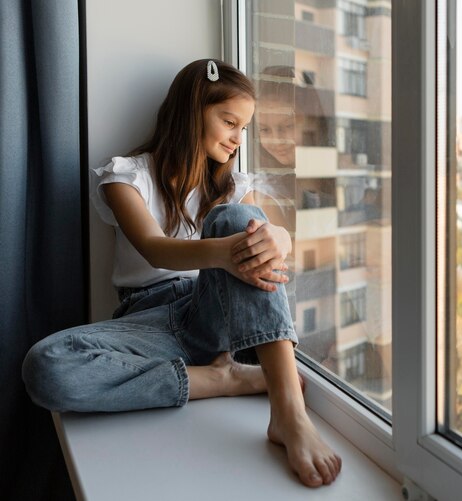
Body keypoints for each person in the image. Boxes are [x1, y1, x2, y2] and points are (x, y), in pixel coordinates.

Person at [22, 58, 341, 488]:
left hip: (212, 310)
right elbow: (155, 249)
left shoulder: (236, 187)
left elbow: (272, 249)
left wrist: (280, 237)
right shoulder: (127, 176)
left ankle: (289, 413)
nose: (237, 139)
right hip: (151, 322)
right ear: (193, 111)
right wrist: (225, 253)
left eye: (245, 128)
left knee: (236, 219)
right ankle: (221, 378)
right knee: (46, 366)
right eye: (230, 122)